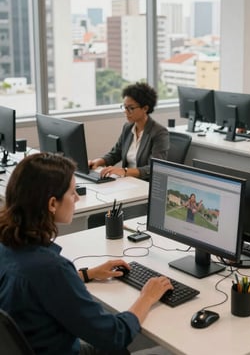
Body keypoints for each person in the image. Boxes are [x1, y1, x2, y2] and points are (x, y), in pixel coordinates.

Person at [0, 153, 173, 355]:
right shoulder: (52, 268)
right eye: (72, 193)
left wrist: (86, 274)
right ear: (52, 204)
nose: (77, 198)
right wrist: (147, 297)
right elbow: (115, 335)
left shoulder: (8, 245)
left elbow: (36, 287)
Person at [89, 82, 169, 181]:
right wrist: (99, 161)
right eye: (124, 107)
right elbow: (116, 153)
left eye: (131, 108)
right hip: (127, 181)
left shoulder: (159, 133)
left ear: (145, 108)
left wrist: (124, 171)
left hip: (145, 184)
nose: (126, 112)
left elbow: (155, 168)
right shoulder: (128, 127)